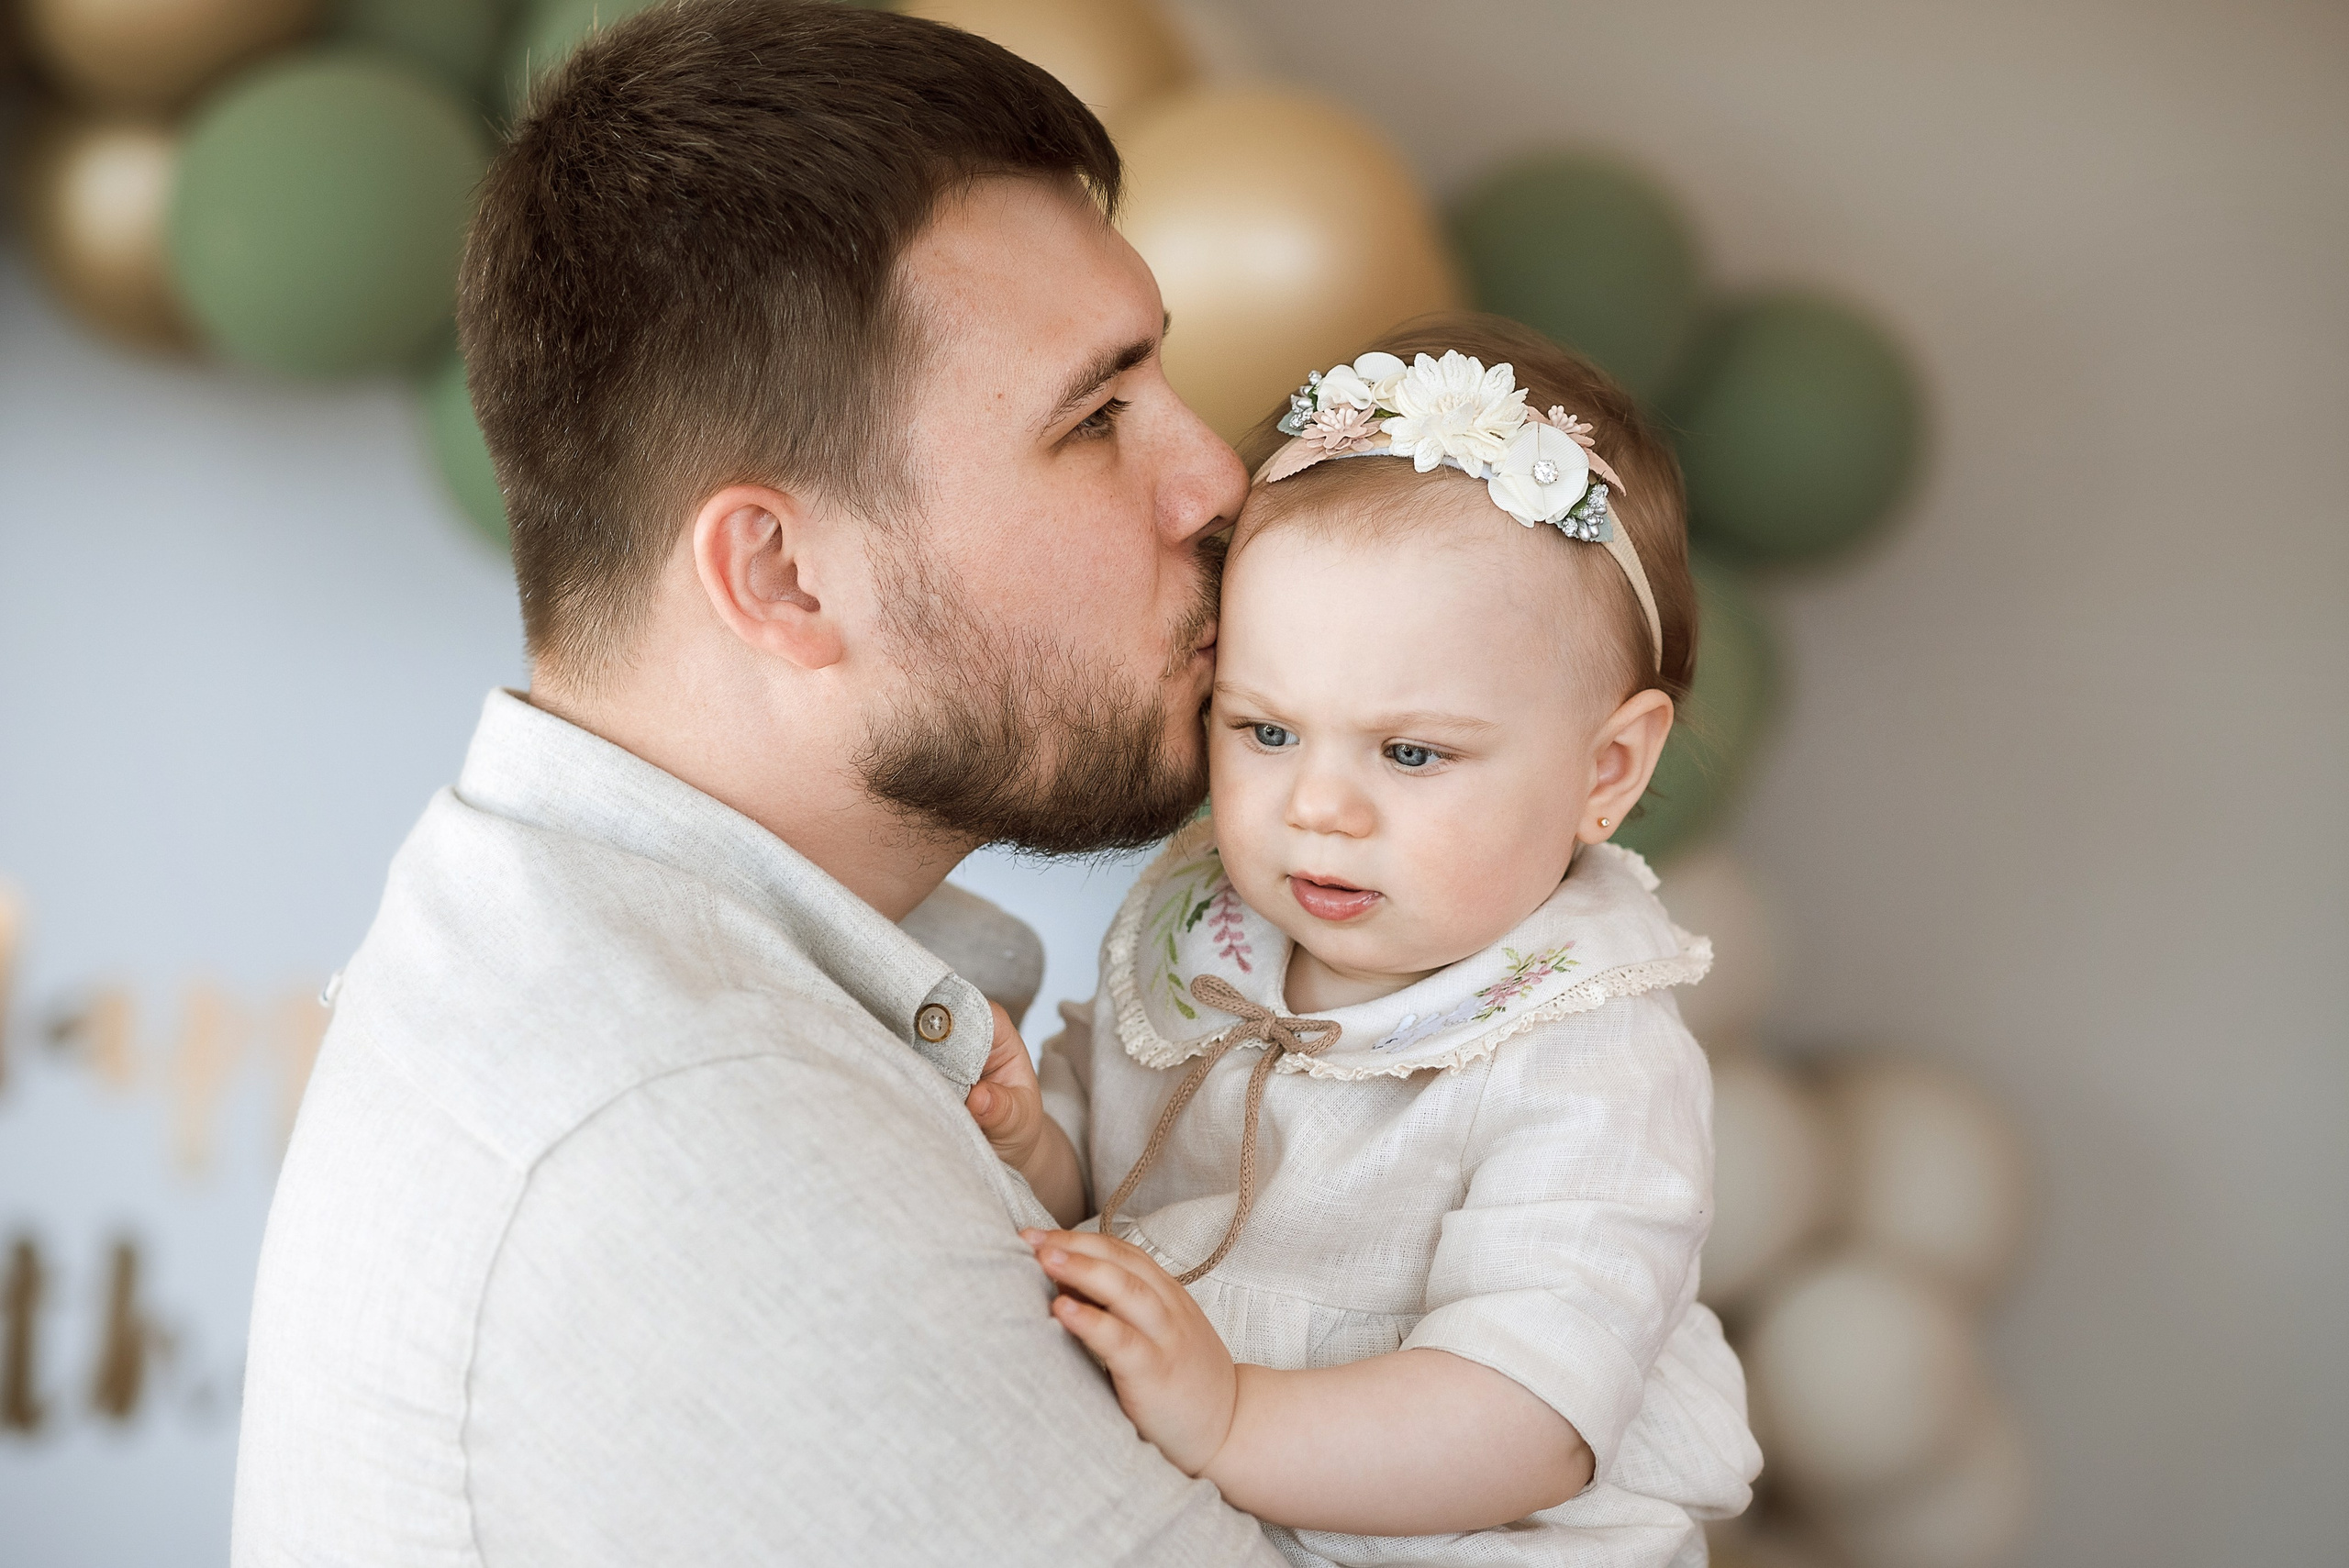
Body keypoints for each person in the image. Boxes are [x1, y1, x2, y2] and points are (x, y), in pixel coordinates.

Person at [230, 5, 1284, 1563]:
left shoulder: (613, 991)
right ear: (782, 575)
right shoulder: (692, 1140)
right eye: (1096, 416)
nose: (1215, 482)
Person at [966, 317, 1764, 1565]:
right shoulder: (1200, 932)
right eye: (1266, 731)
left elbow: (1524, 1416)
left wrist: (1233, 1412)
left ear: (1604, 770)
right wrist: (1035, 1137)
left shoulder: (1586, 1056)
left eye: (1410, 752)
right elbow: (1123, 1187)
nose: (1317, 807)